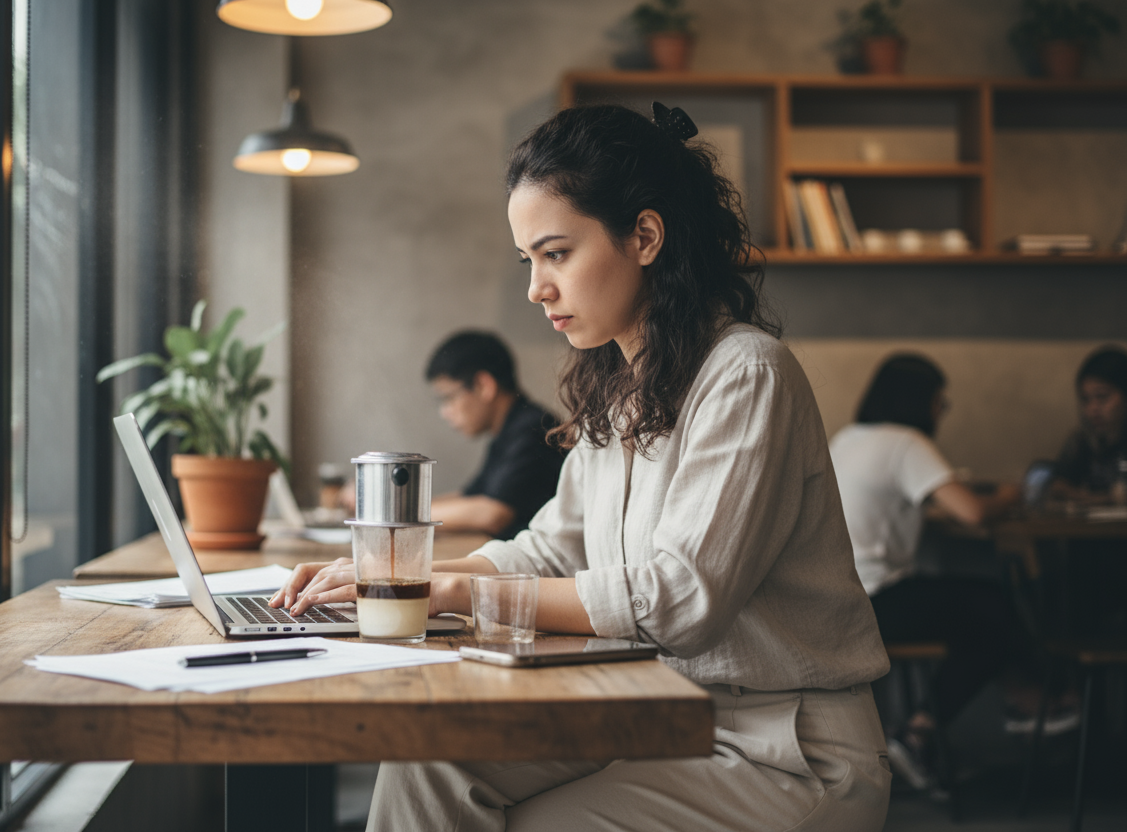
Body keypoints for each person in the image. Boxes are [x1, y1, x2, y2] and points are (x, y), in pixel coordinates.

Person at [273, 102, 892, 831]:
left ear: (646, 236)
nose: (536, 286)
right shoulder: (620, 389)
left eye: (556, 253)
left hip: (782, 748)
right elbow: (550, 548)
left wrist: (448, 592)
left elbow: (682, 599)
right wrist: (397, 580)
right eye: (528, 259)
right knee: (427, 761)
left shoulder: (746, 373)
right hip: (656, 712)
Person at [828, 354, 1028, 790]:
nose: (941, 411)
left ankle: (926, 731)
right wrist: (1014, 493)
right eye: (941, 402)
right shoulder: (907, 442)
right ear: (919, 402)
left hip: (835, 600)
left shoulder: (849, 438)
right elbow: (973, 513)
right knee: (994, 607)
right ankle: (927, 731)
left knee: (979, 611)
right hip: (877, 600)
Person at [424, 331, 564, 539]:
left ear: (483, 386)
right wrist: (392, 508)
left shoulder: (535, 429)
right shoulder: (509, 430)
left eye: (449, 397)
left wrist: (399, 516)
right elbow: (470, 497)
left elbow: (492, 513)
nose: (444, 412)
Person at [1053, 346, 1127, 498]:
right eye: (1085, 399)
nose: (1092, 408)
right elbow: (1058, 487)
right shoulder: (1081, 440)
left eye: (1102, 397)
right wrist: (1105, 499)